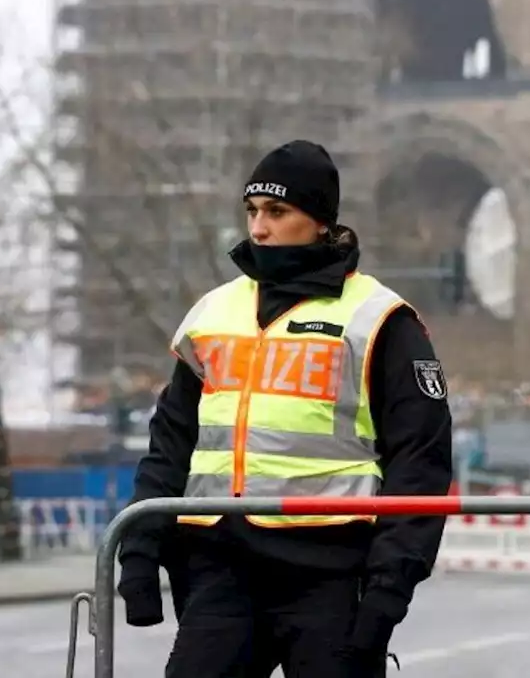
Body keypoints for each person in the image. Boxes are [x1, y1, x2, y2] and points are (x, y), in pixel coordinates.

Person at [116, 140, 455, 678]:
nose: (258, 229)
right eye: (252, 212)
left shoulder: (379, 319)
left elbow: (421, 463)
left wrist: (388, 593)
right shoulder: (214, 312)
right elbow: (173, 441)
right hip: (221, 567)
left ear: (320, 221)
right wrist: (139, 548)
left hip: (330, 574)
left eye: (277, 212)